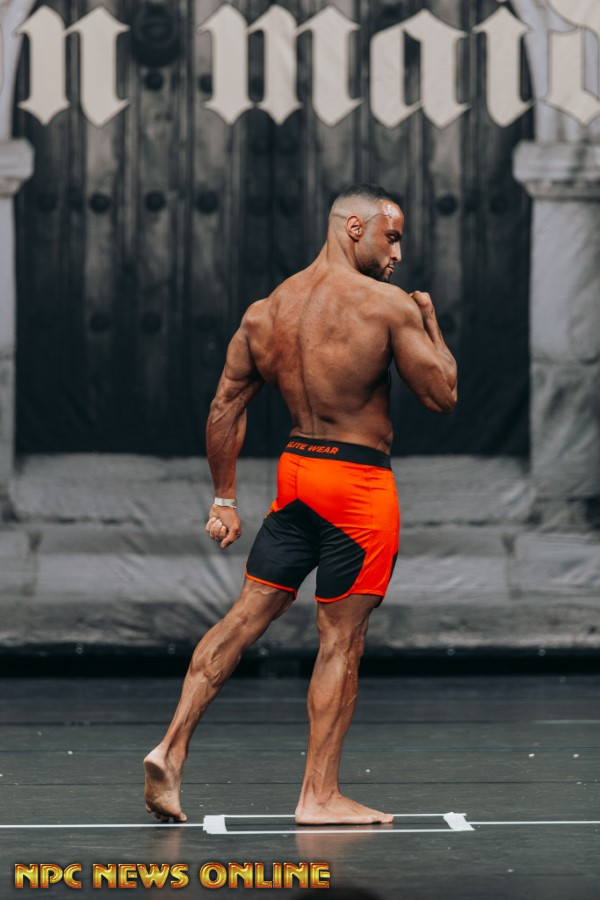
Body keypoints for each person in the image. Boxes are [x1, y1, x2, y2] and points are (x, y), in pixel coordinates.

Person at [144, 183, 457, 825]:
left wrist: (224, 499)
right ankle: (319, 796)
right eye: (392, 237)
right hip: (358, 488)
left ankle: (169, 750)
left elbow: (226, 406)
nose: (398, 253)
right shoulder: (387, 305)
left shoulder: (267, 310)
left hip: (296, 479)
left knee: (243, 618)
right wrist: (430, 321)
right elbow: (443, 395)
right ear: (353, 228)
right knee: (341, 642)